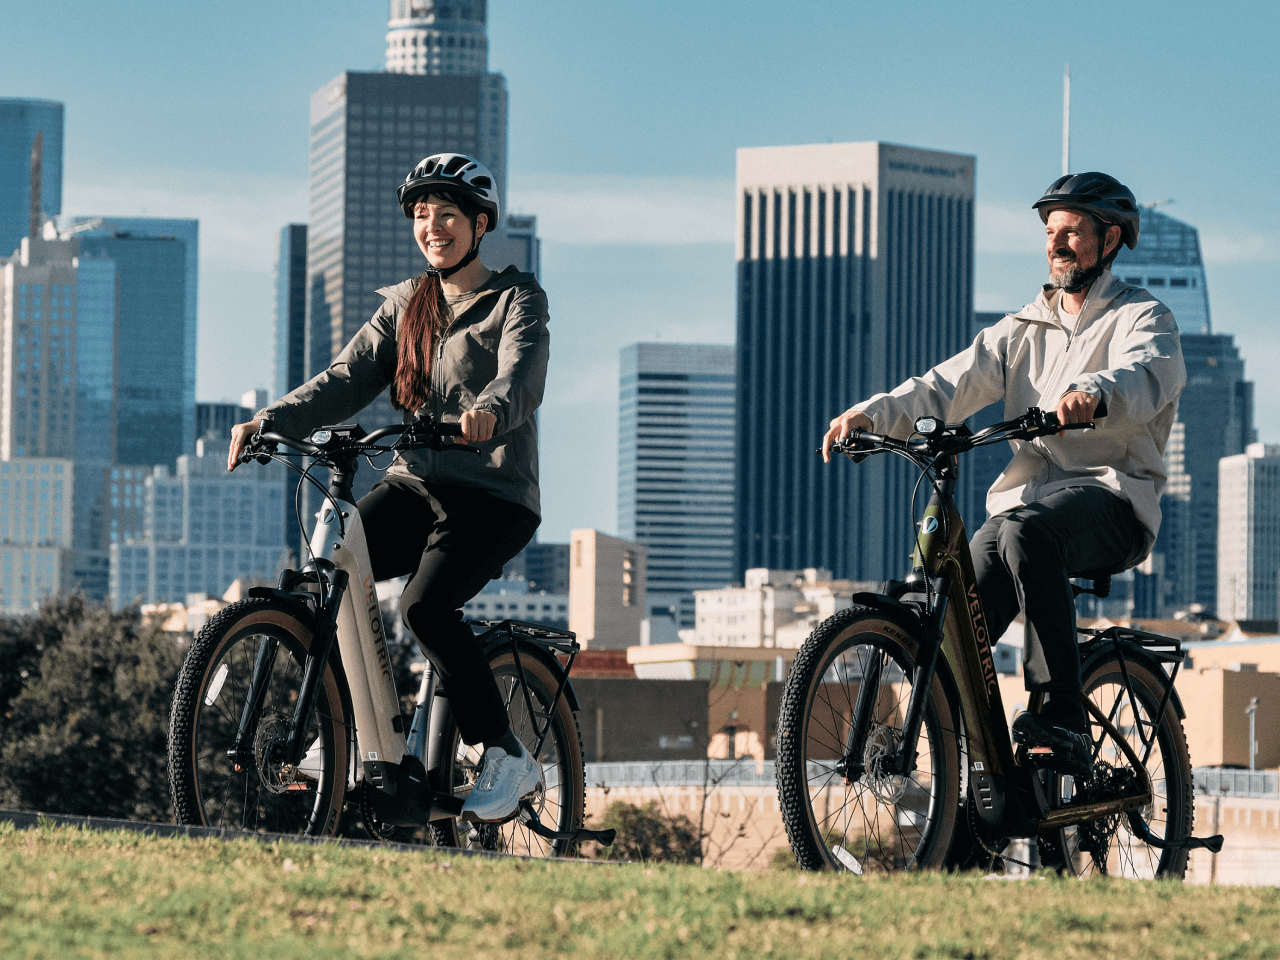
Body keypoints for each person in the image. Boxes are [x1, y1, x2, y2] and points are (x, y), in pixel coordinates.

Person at [821, 172, 1186, 779]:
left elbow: (1147, 375)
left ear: (1112, 238)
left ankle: (1060, 715)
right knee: (963, 582)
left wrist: (1092, 393)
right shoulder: (1022, 329)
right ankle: (960, 755)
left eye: (1073, 231)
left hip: (1112, 498)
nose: (1057, 243)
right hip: (1026, 506)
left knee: (1022, 535)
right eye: (1050, 231)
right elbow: (947, 384)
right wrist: (870, 414)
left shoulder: (1142, 317)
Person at [228, 153, 549, 821]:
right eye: (422, 215)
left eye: (449, 214)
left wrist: (488, 410)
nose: (433, 226)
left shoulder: (515, 299)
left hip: (491, 494)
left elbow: (519, 375)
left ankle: (506, 754)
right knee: (332, 575)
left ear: (481, 223)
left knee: (426, 608)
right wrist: (271, 420)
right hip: (415, 484)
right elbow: (343, 380)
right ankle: (347, 734)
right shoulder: (406, 306)